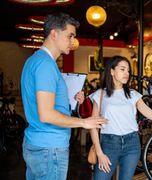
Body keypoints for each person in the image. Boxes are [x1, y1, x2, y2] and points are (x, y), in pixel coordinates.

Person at [20, 12, 107, 180]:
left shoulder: (35, 60)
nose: (73, 42)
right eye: (70, 36)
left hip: (39, 144)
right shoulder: (46, 64)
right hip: (49, 148)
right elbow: (46, 114)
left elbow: (43, 103)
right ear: (54, 33)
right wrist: (84, 122)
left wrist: (69, 100)